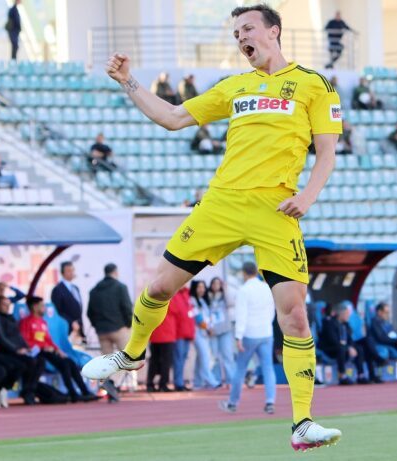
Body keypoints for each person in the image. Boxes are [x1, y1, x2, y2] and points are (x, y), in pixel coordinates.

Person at [84, 4, 343, 450]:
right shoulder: (234, 86)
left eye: (248, 28)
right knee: (159, 287)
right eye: (236, 33)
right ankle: (131, 354)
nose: (241, 38)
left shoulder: (313, 85)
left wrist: (307, 197)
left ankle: (302, 424)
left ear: (274, 31)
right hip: (221, 204)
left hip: (275, 210)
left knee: (296, 315)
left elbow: (327, 153)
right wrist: (128, 80)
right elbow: (173, 118)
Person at [219, 261, 277, 413]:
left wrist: (238, 336)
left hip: (250, 333)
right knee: (268, 367)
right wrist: (267, 324)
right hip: (266, 332)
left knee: (240, 368)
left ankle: (232, 403)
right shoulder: (266, 288)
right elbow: (272, 310)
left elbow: (241, 315)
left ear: (244, 273)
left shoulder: (243, 290)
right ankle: (270, 402)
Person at [20, 296, 98, 402]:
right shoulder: (26, 322)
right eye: (42, 306)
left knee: (70, 362)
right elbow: (25, 341)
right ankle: (73, 393)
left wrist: (58, 350)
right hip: (38, 352)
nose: (44, 308)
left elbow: (48, 340)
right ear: (34, 307)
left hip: (49, 351)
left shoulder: (42, 322)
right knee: (64, 365)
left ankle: (85, 391)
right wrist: (42, 347)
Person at [0, 295, 45, 405]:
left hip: (19, 350)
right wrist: (16, 350)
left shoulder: (11, 317)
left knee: (40, 361)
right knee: (24, 364)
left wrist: (26, 347)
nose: (7, 307)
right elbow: (1, 338)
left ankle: (29, 391)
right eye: (4, 305)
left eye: (8, 305)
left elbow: (18, 336)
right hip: (5, 351)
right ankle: (1, 389)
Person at [87, 263, 132, 400]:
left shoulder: (94, 290)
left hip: (102, 331)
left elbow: (90, 313)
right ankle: (115, 383)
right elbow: (126, 307)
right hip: (118, 328)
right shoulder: (120, 287)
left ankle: (110, 385)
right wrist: (128, 324)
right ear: (115, 272)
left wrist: (97, 326)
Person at [189, 280, 220, 389]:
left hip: (204, 332)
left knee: (200, 358)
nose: (202, 289)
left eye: (203, 287)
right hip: (197, 332)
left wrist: (210, 327)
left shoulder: (202, 301)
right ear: (195, 288)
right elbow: (198, 318)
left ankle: (197, 382)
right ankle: (211, 381)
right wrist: (208, 328)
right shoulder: (192, 300)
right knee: (205, 356)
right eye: (199, 287)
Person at [317, 303, 357, 385]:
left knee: (359, 348)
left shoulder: (346, 324)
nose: (348, 316)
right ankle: (342, 376)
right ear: (341, 314)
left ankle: (361, 375)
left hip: (342, 348)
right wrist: (347, 347)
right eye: (347, 313)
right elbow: (333, 340)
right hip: (330, 349)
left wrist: (350, 347)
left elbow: (350, 339)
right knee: (341, 348)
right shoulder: (330, 322)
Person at [146, 292, 177, 393]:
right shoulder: (170, 299)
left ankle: (150, 383)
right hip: (167, 335)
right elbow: (177, 311)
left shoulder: (152, 297)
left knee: (154, 360)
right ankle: (163, 384)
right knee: (166, 361)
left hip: (155, 334)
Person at [207, 277, 235, 385]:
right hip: (213, 331)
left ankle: (231, 380)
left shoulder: (224, 296)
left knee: (227, 355)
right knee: (215, 357)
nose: (216, 286)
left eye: (218, 284)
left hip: (225, 330)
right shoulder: (208, 297)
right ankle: (216, 380)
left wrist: (226, 289)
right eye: (214, 283)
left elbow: (231, 303)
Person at [51, 261, 84, 337]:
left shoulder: (75, 288)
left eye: (73, 270)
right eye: (69, 271)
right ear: (63, 273)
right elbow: (56, 311)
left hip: (78, 329)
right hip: (66, 329)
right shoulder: (58, 289)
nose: (72, 273)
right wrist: (71, 322)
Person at [171, 284, 194, 391]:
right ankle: (178, 382)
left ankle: (180, 381)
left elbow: (190, 315)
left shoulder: (187, 294)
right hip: (178, 333)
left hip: (187, 333)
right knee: (178, 358)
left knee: (183, 358)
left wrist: (192, 333)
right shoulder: (174, 295)